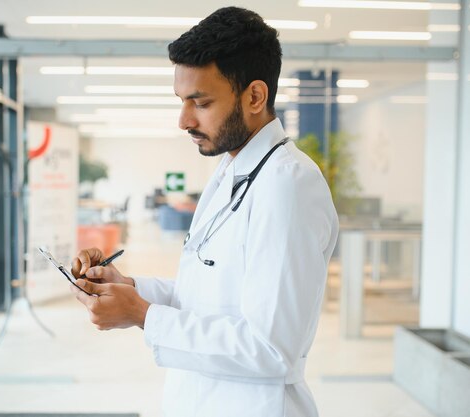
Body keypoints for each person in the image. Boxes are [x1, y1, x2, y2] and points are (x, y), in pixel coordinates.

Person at [69, 6, 339, 417]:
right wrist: (128, 286)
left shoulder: (288, 185)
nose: (183, 120)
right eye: (182, 101)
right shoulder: (233, 170)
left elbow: (271, 349)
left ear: (254, 96)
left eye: (201, 102)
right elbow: (208, 297)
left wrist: (143, 315)